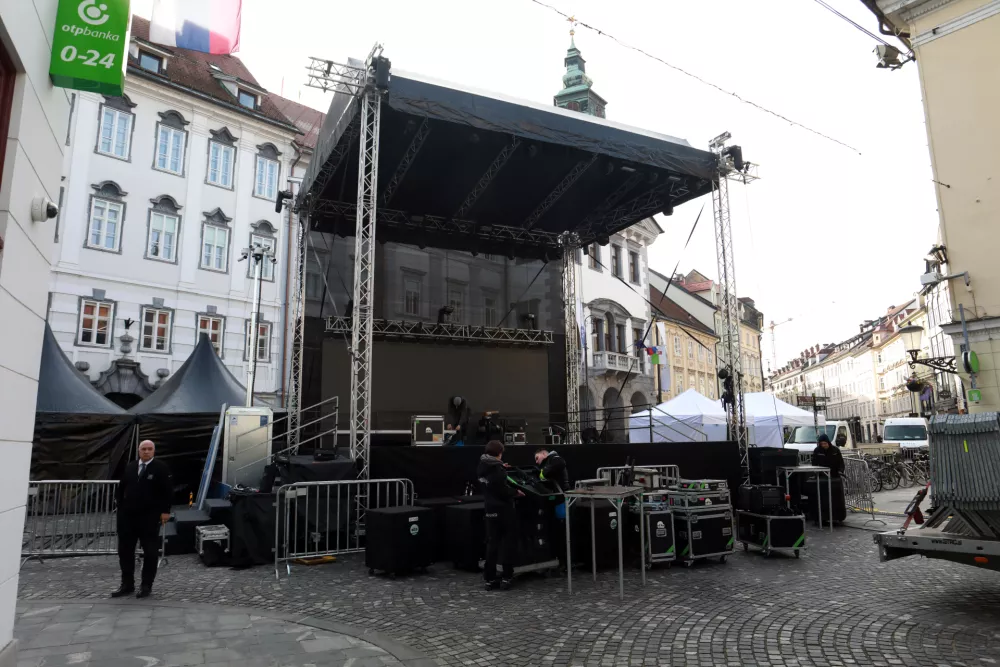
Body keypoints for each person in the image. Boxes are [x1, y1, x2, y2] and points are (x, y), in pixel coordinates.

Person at [112, 440, 172, 599]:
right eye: (144, 449)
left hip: (149, 518)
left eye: (150, 449)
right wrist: (120, 504)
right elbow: (121, 487)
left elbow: (167, 491)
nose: (146, 452)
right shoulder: (131, 466)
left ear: (154, 451)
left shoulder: (160, 468)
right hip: (127, 517)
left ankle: (146, 585)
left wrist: (165, 511)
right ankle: (127, 584)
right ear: (139, 451)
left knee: (150, 552)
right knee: (125, 551)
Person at [477, 440, 523, 590]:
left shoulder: (481, 466)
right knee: (508, 544)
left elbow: (491, 484)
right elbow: (502, 490)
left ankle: (489, 579)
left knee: (492, 544)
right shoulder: (497, 469)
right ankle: (506, 577)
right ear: (499, 453)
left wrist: (501, 467)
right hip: (504, 510)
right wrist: (516, 492)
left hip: (489, 509)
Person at [535, 448, 570, 571]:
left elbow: (560, 463)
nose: (537, 462)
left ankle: (565, 563)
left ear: (544, 454)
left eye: (537, 458)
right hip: (557, 499)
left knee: (563, 531)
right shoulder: (550, 462)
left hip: (561, 499)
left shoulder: (554, 459)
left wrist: (544, 472)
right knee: (559, 532)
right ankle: (561, 561)